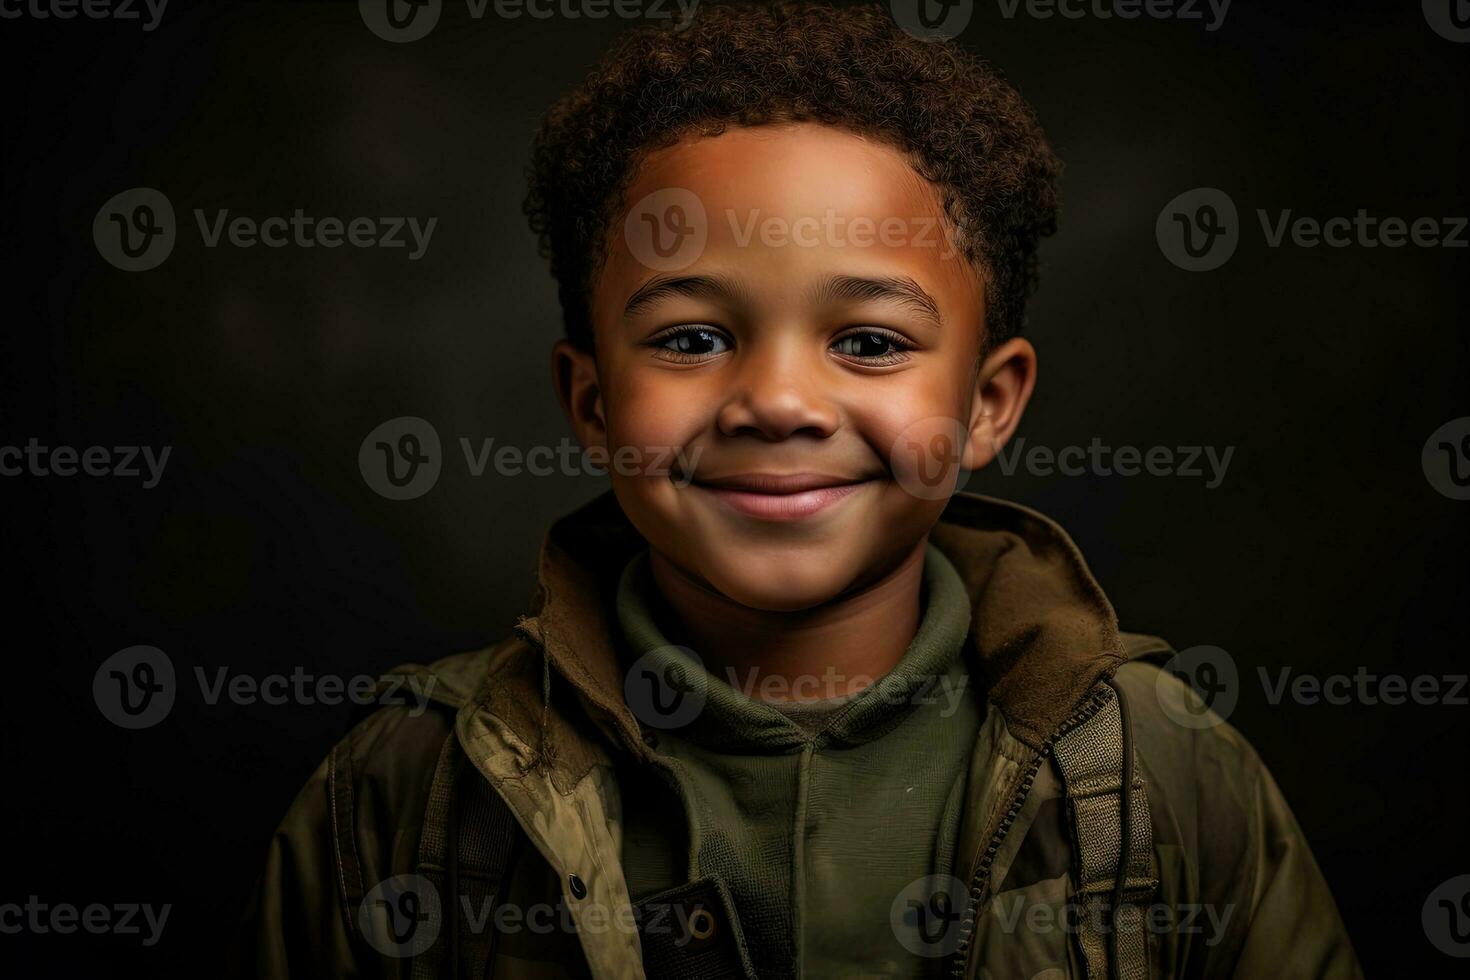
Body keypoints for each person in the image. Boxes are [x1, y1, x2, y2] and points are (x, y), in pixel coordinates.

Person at [235, 3, 1361, 976]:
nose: (778, 399)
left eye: (869, 342)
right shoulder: (407, 786)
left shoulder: (1163, 768)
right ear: (589, 403)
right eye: (691, 336)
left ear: (987, 404)